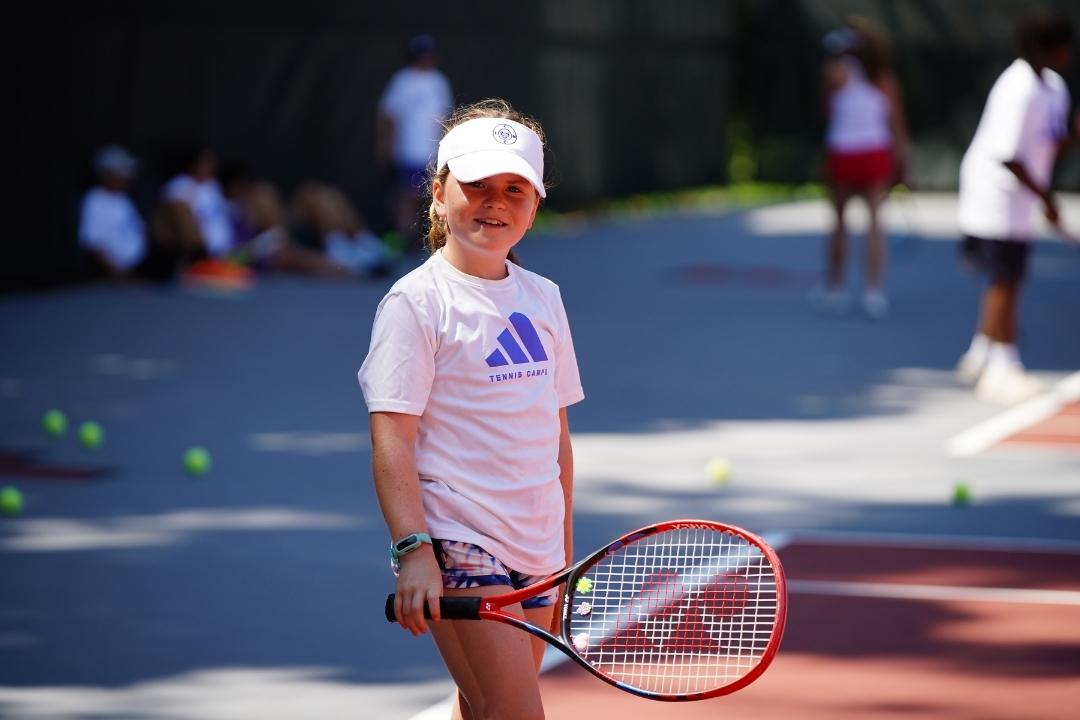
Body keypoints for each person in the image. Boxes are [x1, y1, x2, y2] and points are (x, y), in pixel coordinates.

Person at [358, 99, 583, 719]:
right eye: (477, 185)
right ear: (438, 192)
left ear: (536, 204)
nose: (495, 202)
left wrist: (561, 562)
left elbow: (556, 439)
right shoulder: (416, 304)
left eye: (515, 189)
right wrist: (414, 551)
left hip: (537, 546)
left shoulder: (546, 299)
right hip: (461, 541)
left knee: (481, 708)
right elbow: (391, 440)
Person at [955, 10, 1078, 405]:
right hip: (993, 194)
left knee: (1007, 276)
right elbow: (1008, 155)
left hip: (1021, 197)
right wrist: (1046, 198)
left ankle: (980, 354)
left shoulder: (1054, 87)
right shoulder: (1016, 87)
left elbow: (1047, 142)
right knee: (1006, 278)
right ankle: (1002, 367)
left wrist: (1074, 137)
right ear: (1050, 47)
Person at [816, 17, 909, 319]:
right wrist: (902, 160)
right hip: (869, 153)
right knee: (873, 224)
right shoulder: (885, 80)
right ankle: (873, 291)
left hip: (847, 152)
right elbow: (897, 128)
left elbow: (827, 110)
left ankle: (836, 288)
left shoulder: (837, 73)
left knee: (842, 224)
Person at [376, 34, 453, 254]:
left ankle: (430, 238)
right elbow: (387, 115)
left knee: (431, 194)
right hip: (407, 150)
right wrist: (385, 145)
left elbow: (444, 116)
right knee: (406, 195)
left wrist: (444, 147)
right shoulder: (402, 80)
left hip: (431, 151)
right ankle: (404, 238)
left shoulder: (439, 81)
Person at [78, 145, 178, 282]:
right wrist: (119, 273)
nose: (127, 176)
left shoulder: (122, 199)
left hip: (143, 264)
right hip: (120, 271)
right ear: (107, 173)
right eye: (122, 172)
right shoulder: (95, 200)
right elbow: (93, 243)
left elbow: (139, 229)